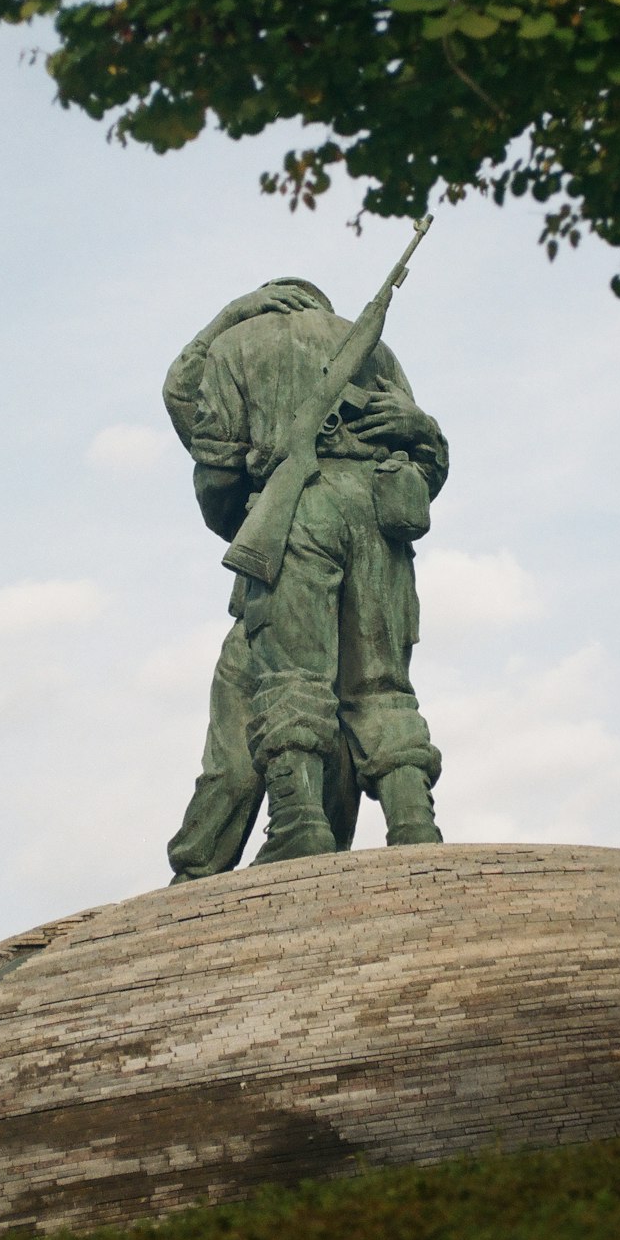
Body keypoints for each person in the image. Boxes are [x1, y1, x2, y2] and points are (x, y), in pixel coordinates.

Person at [189, 279, 448, 864]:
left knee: (292, 676)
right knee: (381, 684)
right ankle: (413, 821)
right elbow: (427, 460)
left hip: (299, 509)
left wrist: (228, 316)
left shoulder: (237, 345)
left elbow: (208, 451)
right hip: (381, 514)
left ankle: (299, 820)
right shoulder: (375, 349)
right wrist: (422, 430)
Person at [163, 284, 358, 882]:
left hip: (280, 562)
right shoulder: (359, 345)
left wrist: (232, 315)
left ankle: (203, 865)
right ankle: (319, 843)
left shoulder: (237, 352)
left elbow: (181, 394)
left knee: (244, 704)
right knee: (350, 707)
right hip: (363, 547)